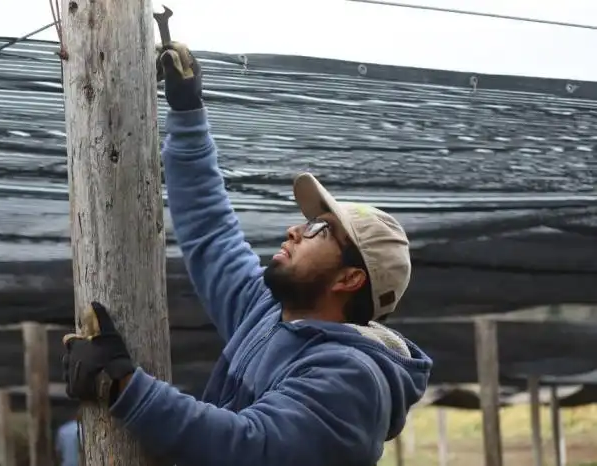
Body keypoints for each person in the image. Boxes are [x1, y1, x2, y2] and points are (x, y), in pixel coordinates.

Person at [62, 41, 433, 466]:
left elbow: (250, 446)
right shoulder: (268, 314)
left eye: (320, 231)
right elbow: (211, 232)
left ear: (349, 279)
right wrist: (187, 113)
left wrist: (122, 383)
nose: (295, 230)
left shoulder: (353, 376)